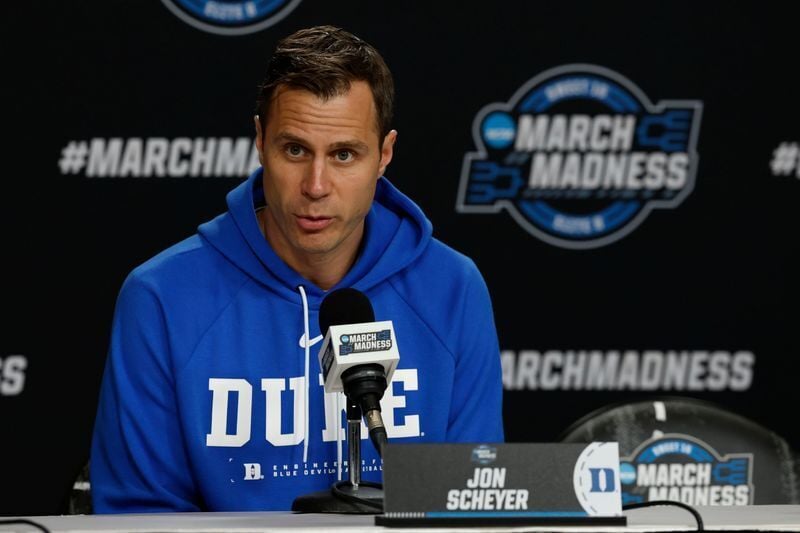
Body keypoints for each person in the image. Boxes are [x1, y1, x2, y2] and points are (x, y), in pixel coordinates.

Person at [90, 25, 503, 513]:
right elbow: (138, 517)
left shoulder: (452, 289)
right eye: (295, 150)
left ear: (384, 155)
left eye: (344, 154)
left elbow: (477, 504)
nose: (316, 185)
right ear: (261, 141)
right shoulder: (161, 297)